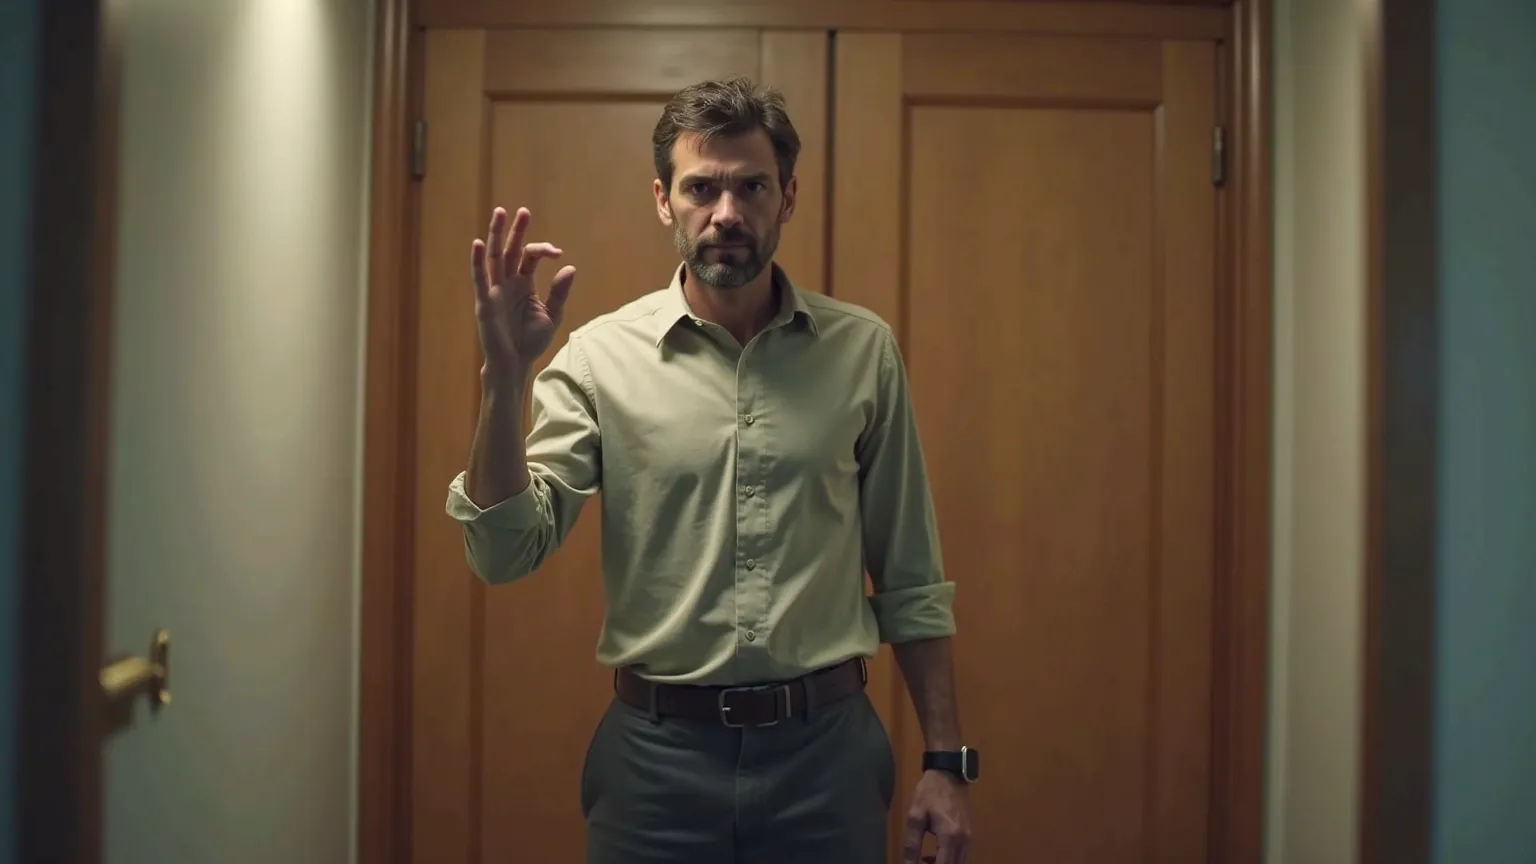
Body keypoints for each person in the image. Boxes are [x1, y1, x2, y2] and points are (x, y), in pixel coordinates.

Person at [444, 77, 977, 864]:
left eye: (750, 186)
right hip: (656, 766)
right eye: (701, 188)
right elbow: (502, 551)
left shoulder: (863, 352)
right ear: (664, 200)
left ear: (787, 197)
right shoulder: (598, 359)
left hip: (825, 760)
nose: (726, 212)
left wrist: (945, 760)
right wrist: (504, 382)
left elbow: (909, 576)